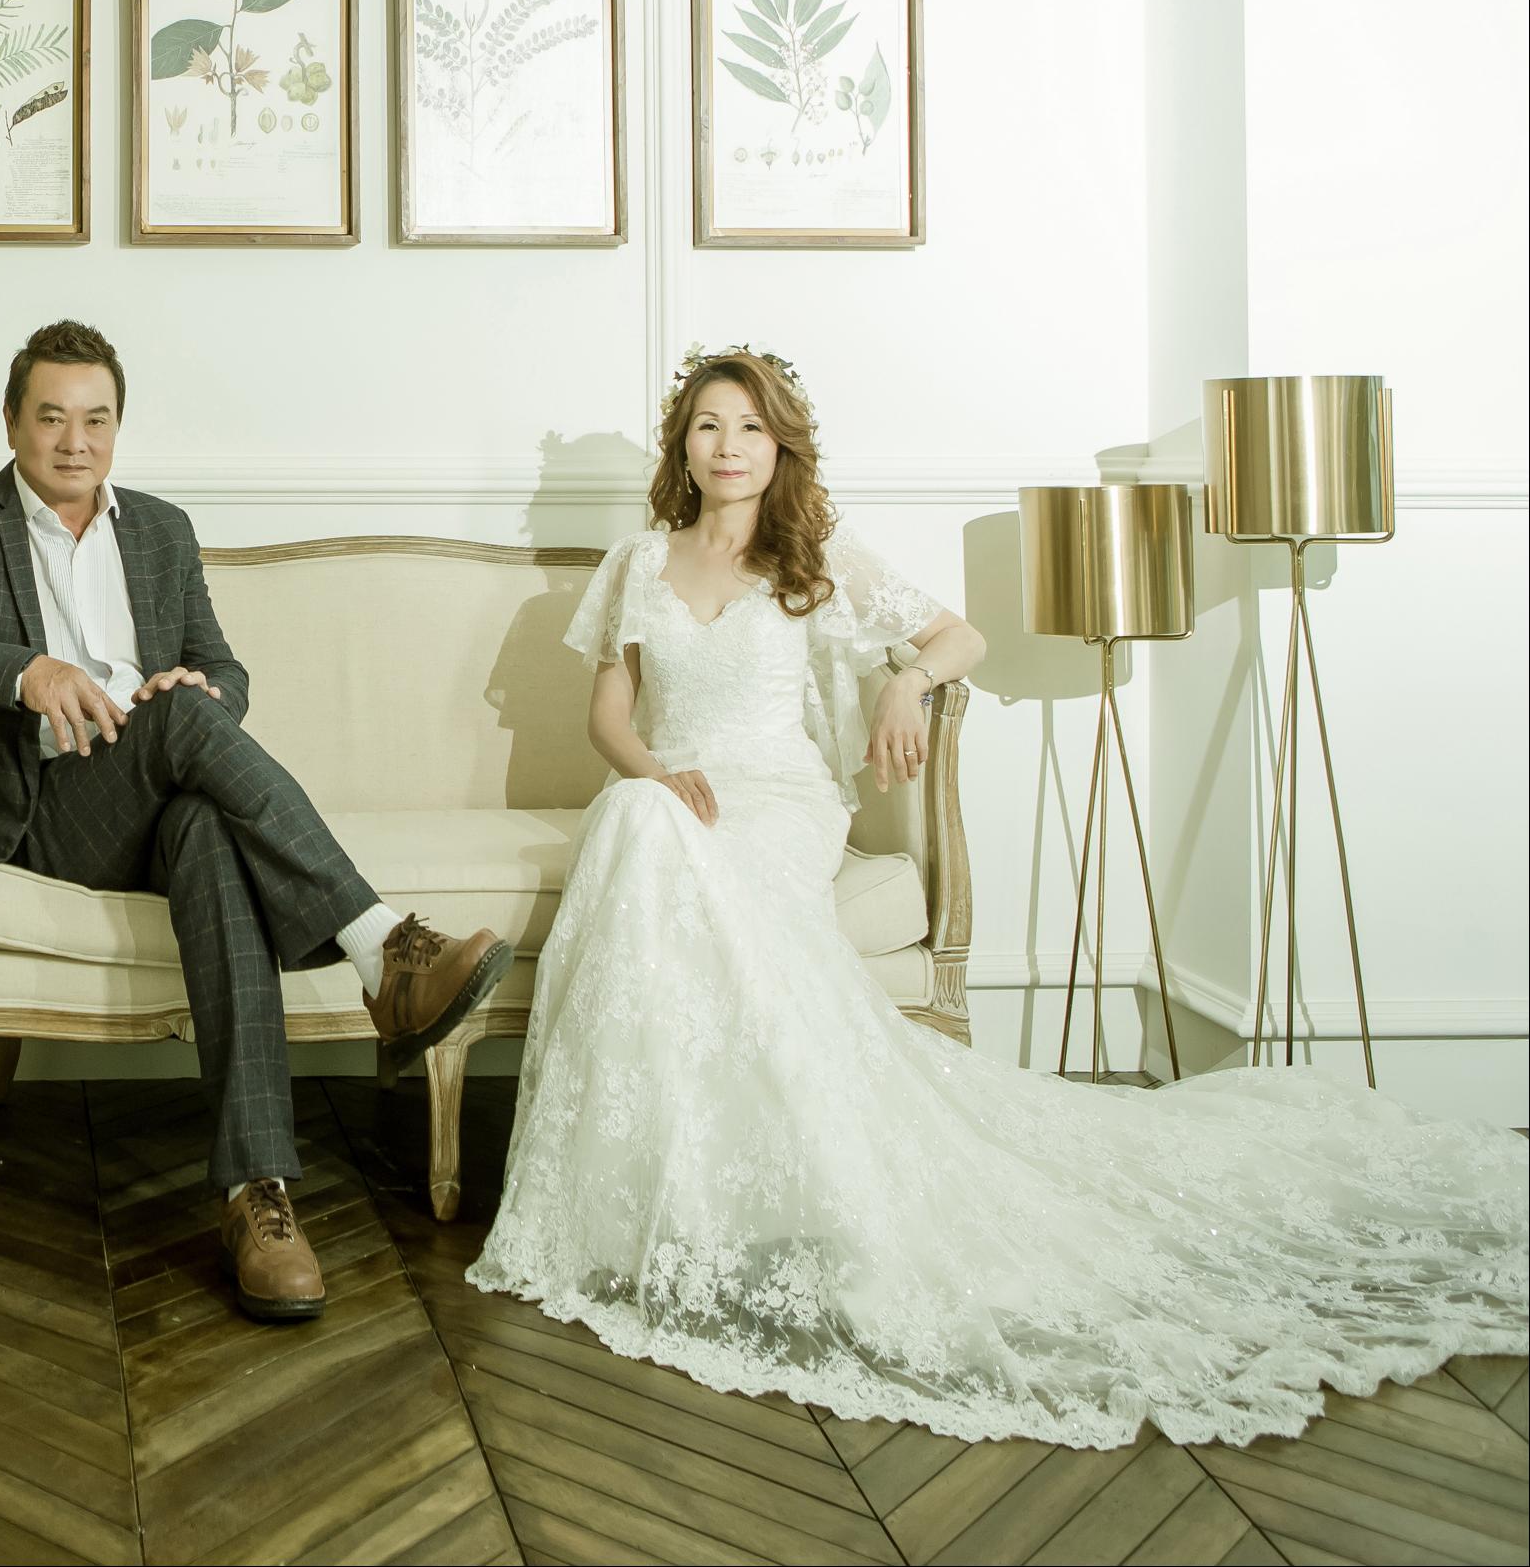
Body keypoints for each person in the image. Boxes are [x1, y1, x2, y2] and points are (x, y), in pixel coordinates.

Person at [469, 345, 1527, 1446]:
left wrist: (907, 678)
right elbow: (608, 718)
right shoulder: (640, 560)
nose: (727, 446)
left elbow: (958, 635)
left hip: (777, 800)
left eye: (748, 426)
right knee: (636, 822)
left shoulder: (814, 557)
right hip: (674, 782)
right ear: (681, 446)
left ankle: (736, 1188)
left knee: (645, 833)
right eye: (706, 426)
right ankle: (666, 1193)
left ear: (779, 445)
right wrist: (655, 775)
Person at [0, 319, 509, 1322]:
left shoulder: (158, 529)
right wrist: (25, 672)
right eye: (51, 417)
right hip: (51, 816)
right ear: (12, 421)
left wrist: (203, 693)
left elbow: (223, 668)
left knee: (207, 828)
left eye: (95, 419)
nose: (75, 441)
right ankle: (383, 952)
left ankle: (256, 1195)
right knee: (186, 733)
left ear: (118, 426)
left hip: (159, 797)